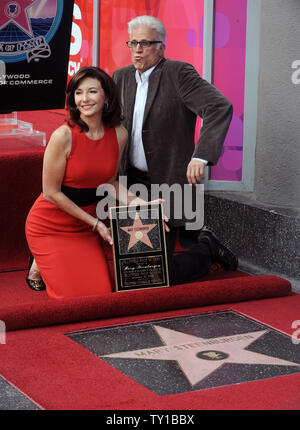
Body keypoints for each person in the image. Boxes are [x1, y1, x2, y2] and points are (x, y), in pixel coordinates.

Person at [113, 15, 238, 285]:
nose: (137, 49)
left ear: (162, 46)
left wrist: (201, 155)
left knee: (157, 273)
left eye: (145, 43)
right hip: (133, 187)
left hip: (167, 186)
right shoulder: (121, 77)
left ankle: (207, 248)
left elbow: (218, 107)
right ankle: (199, 241)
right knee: (135, 271)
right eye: (133, 42)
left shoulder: (178, 73)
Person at [25, 66, 150, 299]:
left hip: (84, 226)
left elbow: (110, 182)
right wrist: (95, 223)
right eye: (78, 93)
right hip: (50, 224)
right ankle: (38, 262)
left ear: (107, 97)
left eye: (92, 92)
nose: (84, 99)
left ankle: (40, 264)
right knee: (75, 297)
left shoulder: (119, 134)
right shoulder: (62, 136)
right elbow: (51, 193)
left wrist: (145, 205)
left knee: (99, 293)